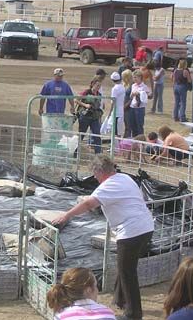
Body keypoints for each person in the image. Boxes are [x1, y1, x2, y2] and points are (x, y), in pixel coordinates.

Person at [52, 155, 154, 320]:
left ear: (99, 171)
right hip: (146, 227)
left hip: (131, 232)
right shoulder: (124, 178)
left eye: (95, 173)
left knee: (127, 272)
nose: (94, 177)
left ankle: (133, 314)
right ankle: (120, 299)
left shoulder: (108, 185)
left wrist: (67, 215)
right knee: (125, 268)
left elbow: (88, 204)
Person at [46, 267, 116, 320]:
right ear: (88, 290)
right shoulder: (108, 314)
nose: (97, 290)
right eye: (95, 286)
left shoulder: (61, 316)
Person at [76, 76, 104, 154]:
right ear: (93, 84)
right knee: (81, 134)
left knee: (97, 135)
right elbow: (76, 99)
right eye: (97, 85)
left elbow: (99, 106)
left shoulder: (99, 95)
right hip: (85, 116)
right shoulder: (86, 92)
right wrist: (85, 105)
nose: (98, 87)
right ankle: (75, 152)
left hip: (95, 117)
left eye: (99, 86)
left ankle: (98, 154)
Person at [129, 70, 151, 136]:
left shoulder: (144, 86)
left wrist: (140, 93)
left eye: (136, 77)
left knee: (139, 125)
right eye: (133, 77)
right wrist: (132, 94)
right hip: (132, 106)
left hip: (140, 108)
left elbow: (148, 95)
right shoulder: (133, 85)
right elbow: (131, 96)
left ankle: (141, 139)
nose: (134, 79)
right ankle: (134, 139)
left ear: (140, 77)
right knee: (132, 125)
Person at [109, 72, 126, 136]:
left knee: (114, 129)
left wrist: (110, 113)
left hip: (116, 111)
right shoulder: (123, 87)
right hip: (121, 110)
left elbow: (113, 101)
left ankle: (114, 143)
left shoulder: (114, 89)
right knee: (119, 129)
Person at [122, 69, 134, 138]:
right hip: (123, 107)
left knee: (128, 126)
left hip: (128, 107)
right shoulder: (124, 84)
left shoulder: (132, 86)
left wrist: (127, 104)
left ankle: (127, 140)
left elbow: (132, 98)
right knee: (125, 125)